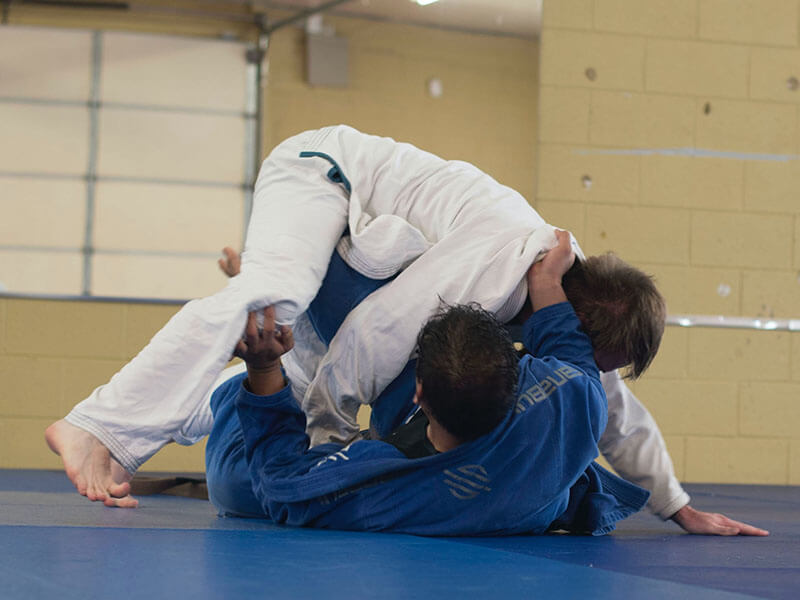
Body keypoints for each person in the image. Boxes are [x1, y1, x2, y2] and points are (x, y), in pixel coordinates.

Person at [45, 125, 767, 535]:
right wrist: (327, 444)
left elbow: (612, 407)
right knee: (277, 296)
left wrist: (677, 505)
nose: (591, 366)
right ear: (574, 318)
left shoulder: (562, 313)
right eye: (596, 353)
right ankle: (99, 426)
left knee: (290, 348)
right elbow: (371, 334)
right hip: (320, 175)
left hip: (369, 244)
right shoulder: (497, 265)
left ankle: (231, 388)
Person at [202, 231, 649, 535]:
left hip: (284, 430)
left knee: (236, 487)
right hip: (505, 478)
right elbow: (567, 343)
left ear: (419, 393)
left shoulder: (391, 487)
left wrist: (262, 370)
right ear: (519, 371)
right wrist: (549, 282)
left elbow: (280, 484)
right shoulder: (574, 398)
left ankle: (231, 389)